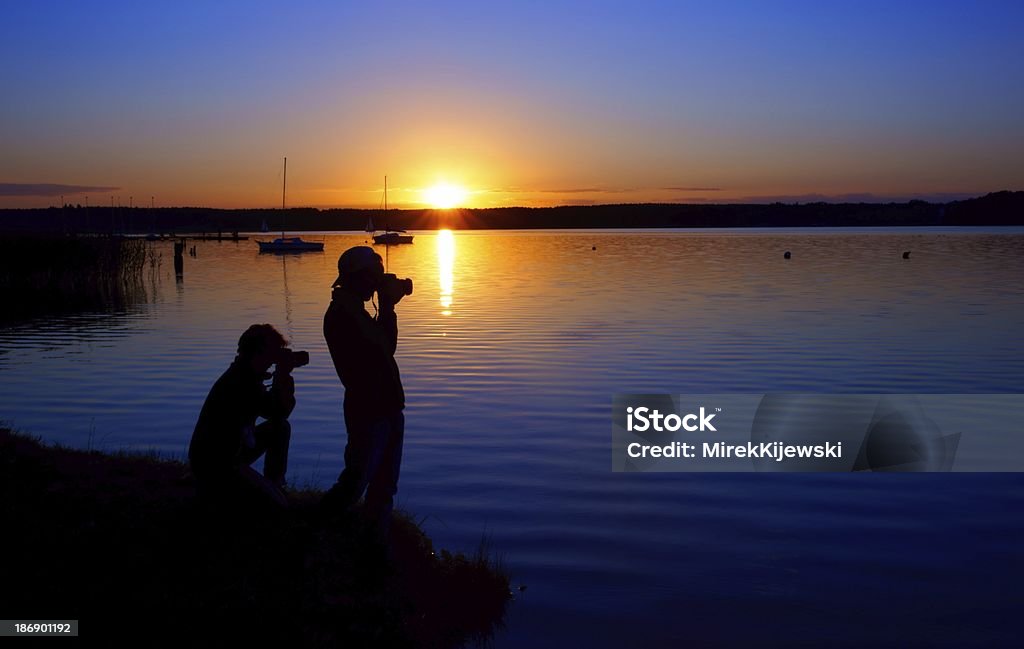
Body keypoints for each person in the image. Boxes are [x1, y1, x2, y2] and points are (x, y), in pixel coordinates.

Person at [322, 246, 407, 536]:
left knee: (383, 486)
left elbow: (385, 348)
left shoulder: (354, 310)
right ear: (358, 277)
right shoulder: (343, 314)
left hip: (386, 405)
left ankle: (373, 546)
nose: (378, 282)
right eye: (375, 276)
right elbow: (383, 348)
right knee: (356, 482)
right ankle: (315, 529)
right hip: (369, 408)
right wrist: (387, 307)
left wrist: (386, 308)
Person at [188, 323, 296, 508]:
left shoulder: (244, 376)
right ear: (260, 352)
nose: (274, 360)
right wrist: (283, 377)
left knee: (280, 428)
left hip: (228, 453)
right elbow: (278, 411)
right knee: (278, 507)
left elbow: (276, 416)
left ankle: (274, 483)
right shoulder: (242, 383)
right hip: (219, 463)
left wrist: (280, 380)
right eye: (273, 353)